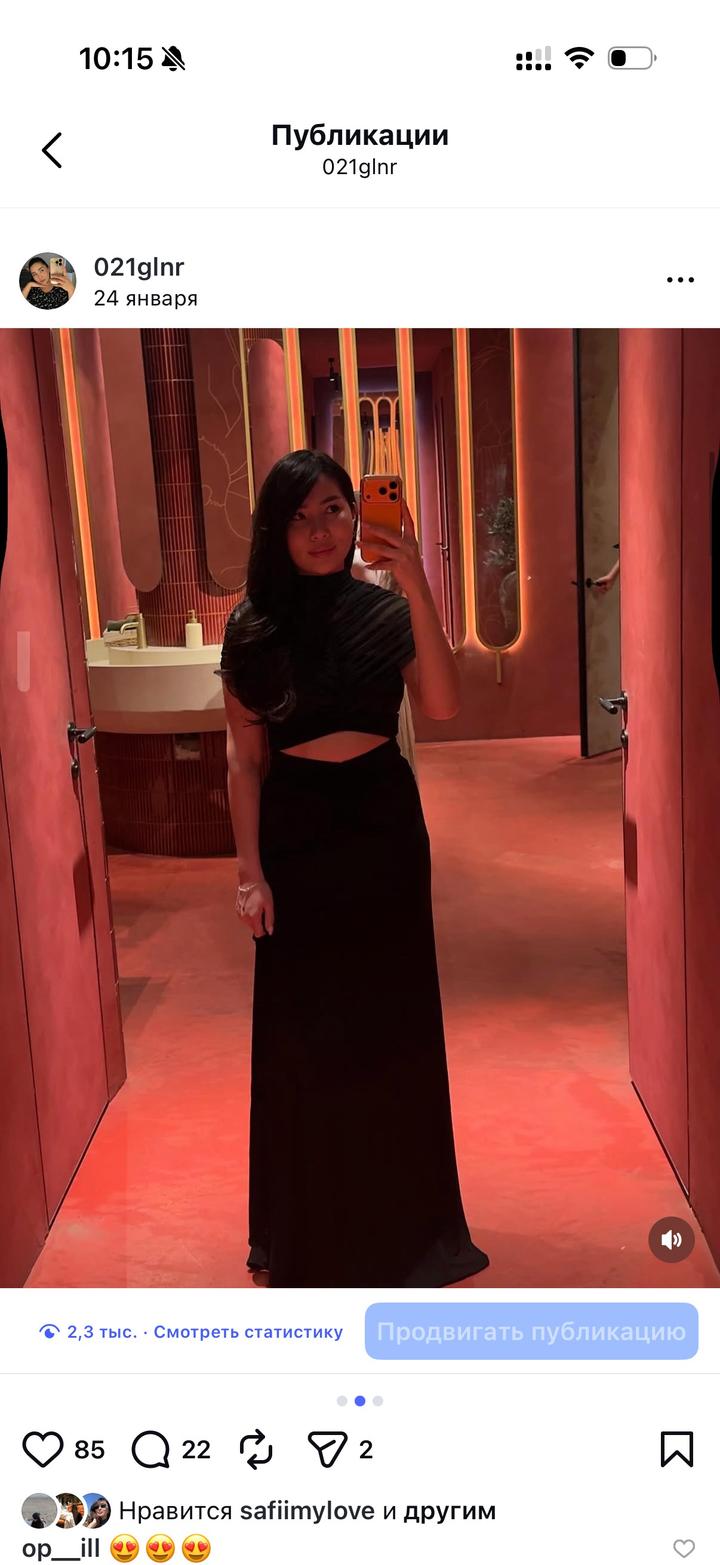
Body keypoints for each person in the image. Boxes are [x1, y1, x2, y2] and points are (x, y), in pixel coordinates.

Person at [219, 449, 489, 1288]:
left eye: (335, 509)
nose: (321, 530)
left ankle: (406, 1224)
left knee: (392, 1021)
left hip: (382, 825)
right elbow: (244, 758)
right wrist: (249, 872)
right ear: (275, 529)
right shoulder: (252, 626)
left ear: (355, 514)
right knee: (306, 1033)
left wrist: (418, 582)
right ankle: (315, 1227)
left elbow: (442, 703)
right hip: (298, 831)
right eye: (301, 516)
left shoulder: (386, 610)